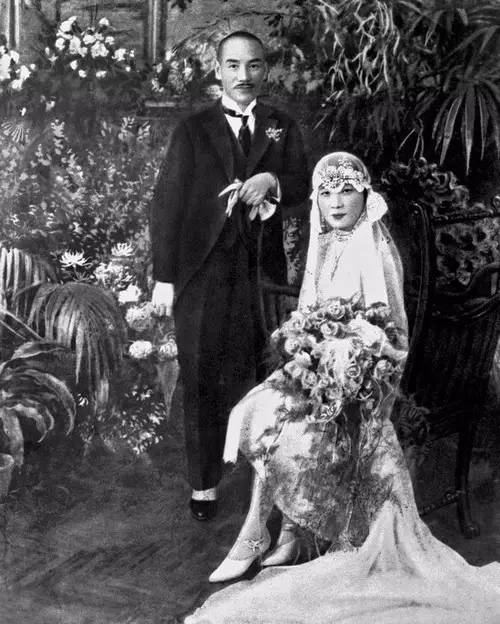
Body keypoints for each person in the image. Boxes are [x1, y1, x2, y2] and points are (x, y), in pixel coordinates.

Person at [185, 153, 500, 623]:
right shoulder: (325, 241)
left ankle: (259, 533)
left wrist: (342, 356)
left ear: (365, 196)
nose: (336, 203)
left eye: (347, 190)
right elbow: (309, 309)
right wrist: (304, 343)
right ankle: (285, 530)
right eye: (326, 192)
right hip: (323, 370)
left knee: (288, 426)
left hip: (365, 382)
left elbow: (390, 335)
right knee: (253, 409)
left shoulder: (374, 247)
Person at [149, 30, 309, 522]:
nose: (244, 75)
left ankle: (265, 484)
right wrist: (164, 278)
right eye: (233, 66)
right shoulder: (193, 129)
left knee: (262, 373)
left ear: (266, 71)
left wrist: (272, 181)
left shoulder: (281, 125)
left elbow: (305, 184)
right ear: (217, 71)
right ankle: (203, 485)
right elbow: (167, 204)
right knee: (201, 375)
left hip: (258, 274)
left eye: (254, 65)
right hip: (201, 272)